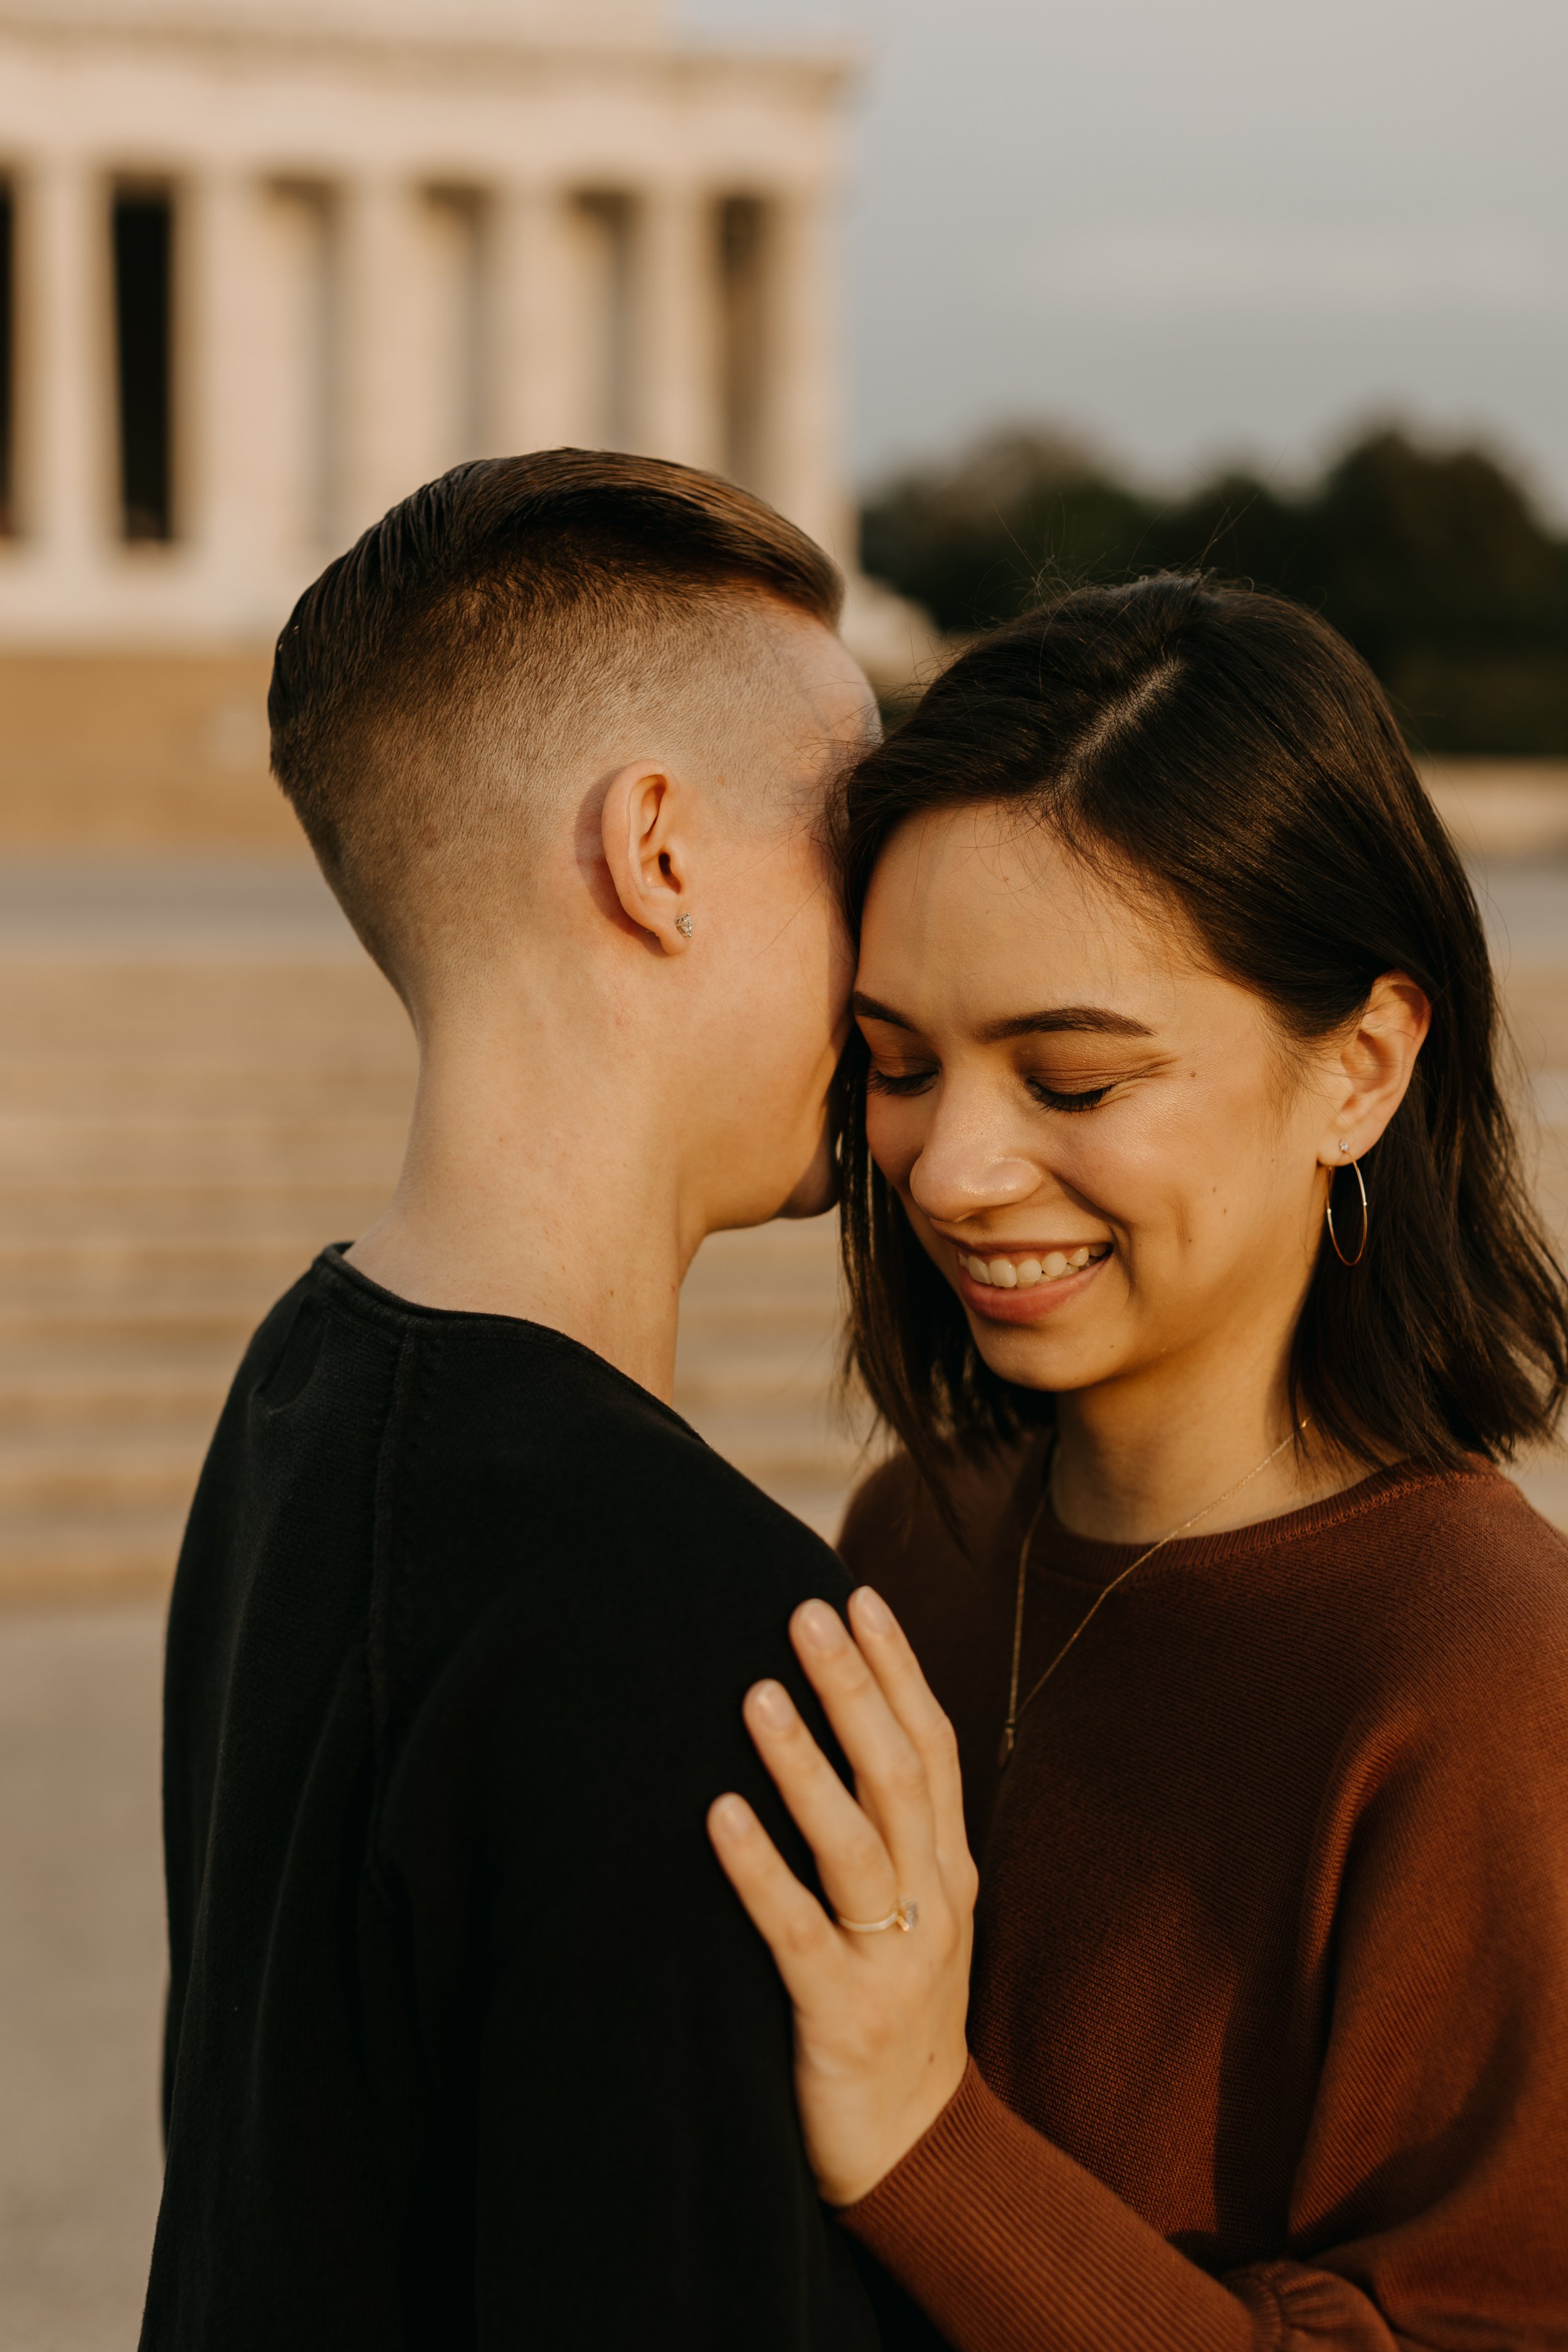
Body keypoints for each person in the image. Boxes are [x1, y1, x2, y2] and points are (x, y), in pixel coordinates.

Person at [707, 575, 1568, 2347]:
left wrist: (923, 2143)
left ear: (1362, 1068)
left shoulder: (1485, 1685)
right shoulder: (908, 1534)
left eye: (1074, 1082)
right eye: (895, 1064)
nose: (945, 1169)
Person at [140, 451, 886, 2350]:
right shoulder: (685, 1614)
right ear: (655, 853)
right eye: (854, 840)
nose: (896, 938)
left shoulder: (307, 1384)